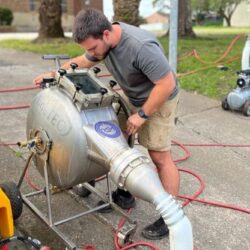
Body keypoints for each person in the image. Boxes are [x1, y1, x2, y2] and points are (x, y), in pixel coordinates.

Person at [33, 8, 180, 240]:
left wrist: (141, 115)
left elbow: (166, 84)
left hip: (159, 99)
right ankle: (125, 194)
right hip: (134, 96)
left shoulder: (140, 47)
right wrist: (54, 73)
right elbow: (83, 62)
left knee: (160, 157)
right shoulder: (103, 43)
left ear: (106, 34)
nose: (91, 53)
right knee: (117, 143)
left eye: (93, 47)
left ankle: (170, 217)